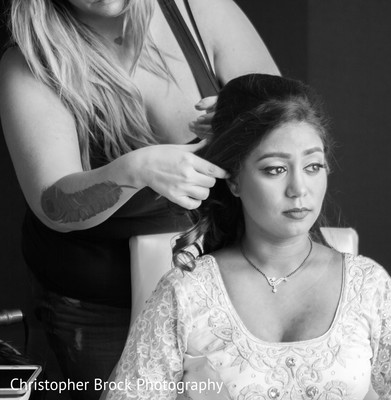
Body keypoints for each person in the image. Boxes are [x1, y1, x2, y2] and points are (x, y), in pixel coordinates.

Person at [107, 74, 391, 400]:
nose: (299, 190)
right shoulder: (186, 293)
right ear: (235, 180)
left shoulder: (368, 285)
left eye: (313, 166)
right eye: (275, 169)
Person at [0, 0, 278, 398]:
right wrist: (136, 170)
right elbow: (54, 205)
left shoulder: (198, 9)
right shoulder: (28, 63)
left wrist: (247, 118)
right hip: (101, 309)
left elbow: (286, 122)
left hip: (224, 288)